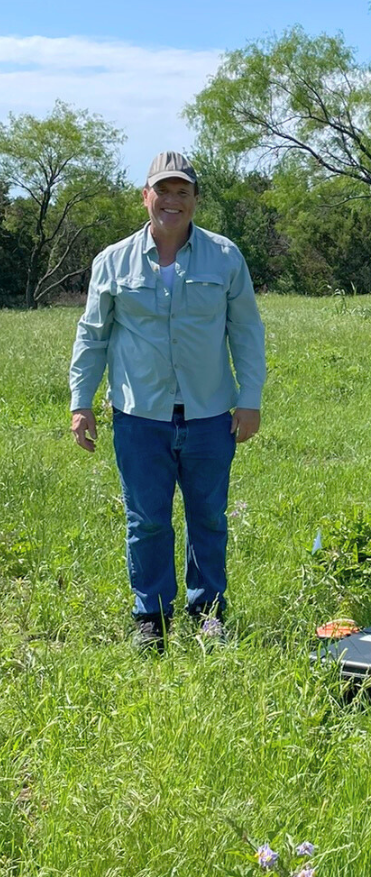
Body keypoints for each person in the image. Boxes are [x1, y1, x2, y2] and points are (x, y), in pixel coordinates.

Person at [69, 151, 266, 652]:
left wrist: (250, 398)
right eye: (164, 190)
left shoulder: (225, 258)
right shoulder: (112, 262)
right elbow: (92, 335)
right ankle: (150, 620)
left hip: (209, 416)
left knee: (209, 518)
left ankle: (208, 616)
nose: (172, 201)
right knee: (147, 521)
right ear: (146, 196)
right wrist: (81, 401)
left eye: (183, 192)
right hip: (140, 418)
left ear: (195, 200)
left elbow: (245, 331)